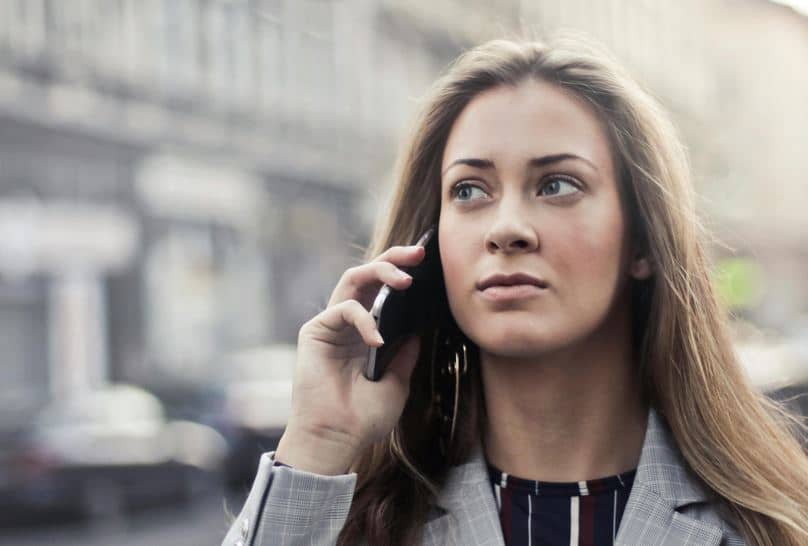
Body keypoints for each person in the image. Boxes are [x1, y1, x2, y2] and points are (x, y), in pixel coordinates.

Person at [222, 34, 808, 546]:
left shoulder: (774, 523)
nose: (505, 229)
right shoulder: (356, 522)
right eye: (470, 191)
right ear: (430, 250)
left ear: (642, 243)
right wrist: (318, 443)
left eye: (556, 184)